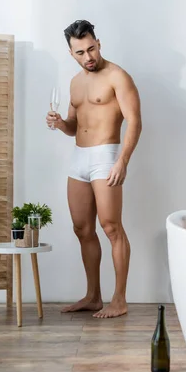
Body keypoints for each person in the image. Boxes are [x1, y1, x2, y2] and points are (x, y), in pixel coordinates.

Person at [46, 20, 142, 318]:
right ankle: (93, 296)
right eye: (80, 52)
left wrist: (122, 161)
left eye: (91, 49)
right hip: (79, 158)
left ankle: (120, 299)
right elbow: (75, 128)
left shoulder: (118, 77)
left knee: (111, 227)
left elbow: (135, 122)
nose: (88, 57)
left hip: (107, 155)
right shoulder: (75, 82)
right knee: (81, 228)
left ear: (98, 43)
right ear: (71, 53)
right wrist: (61, 123)